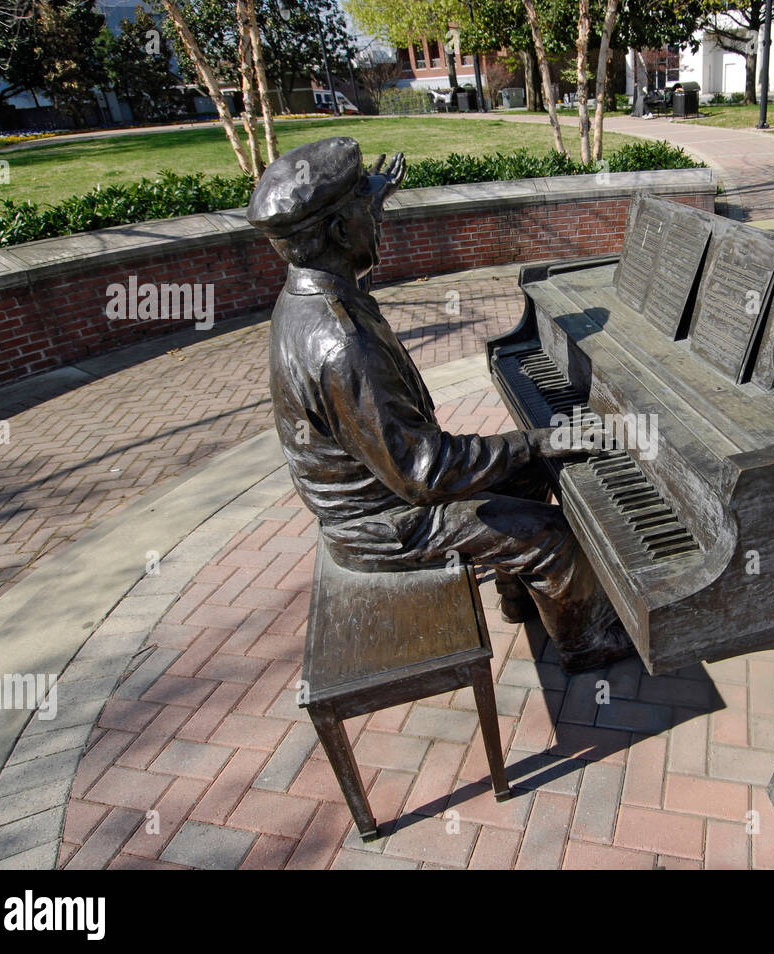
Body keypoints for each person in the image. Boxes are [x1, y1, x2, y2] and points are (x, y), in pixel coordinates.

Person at [247, 137, 632, 673]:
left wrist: (369, 201)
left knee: (525, 477)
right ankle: (587, 645)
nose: (378, 222)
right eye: (367, 212)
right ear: (337, 231)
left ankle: (518, 599)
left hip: (383, 494)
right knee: (551, 535)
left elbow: (413, 459)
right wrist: (539, 438)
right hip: (384, 522)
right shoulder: (340, 343)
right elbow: (425, 473)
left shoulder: (310, 294)